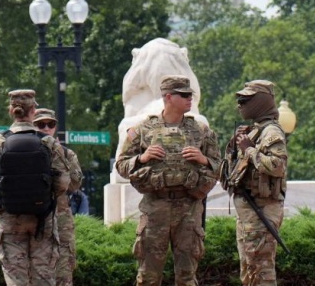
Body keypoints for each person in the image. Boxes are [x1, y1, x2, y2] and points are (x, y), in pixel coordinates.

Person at [115, 75, 220, 286]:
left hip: (189, 208)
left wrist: (204, 160)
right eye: (184, 95)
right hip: (155, 207)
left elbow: (220, 168)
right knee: (148, 277)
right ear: (169, 97)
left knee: (187, 276)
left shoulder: (201, 131)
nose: (190, 98)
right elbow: (121, 165)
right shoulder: (143, 130)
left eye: (190, 94)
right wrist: (142, 158)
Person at [0, 90, 70, 286]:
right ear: (33, 110)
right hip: (42, 218)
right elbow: (63, 183)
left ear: (12, 111)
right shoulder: (48, 142)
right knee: (44, 277)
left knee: (16, 278)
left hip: (10, 219)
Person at [220, 80, 288, 286]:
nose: (239, 105)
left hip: (262, 210)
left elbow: (277, 165)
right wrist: (233, 148)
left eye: (245, 100)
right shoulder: (254, 131)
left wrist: (249, 150)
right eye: (239, 100)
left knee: (261, 271)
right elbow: (228, 177)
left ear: (260, 102)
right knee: (249, 270)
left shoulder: (271, 132)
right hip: (249, 212)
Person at [33, 108, 83, 286]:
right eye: (40, 124)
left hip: (60, 217)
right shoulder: (24, 153)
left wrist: (59, 154)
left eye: (50, 124)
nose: (46, 128)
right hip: (33, 218)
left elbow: (75, 184)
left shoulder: (66, 153)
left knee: (63, 271)